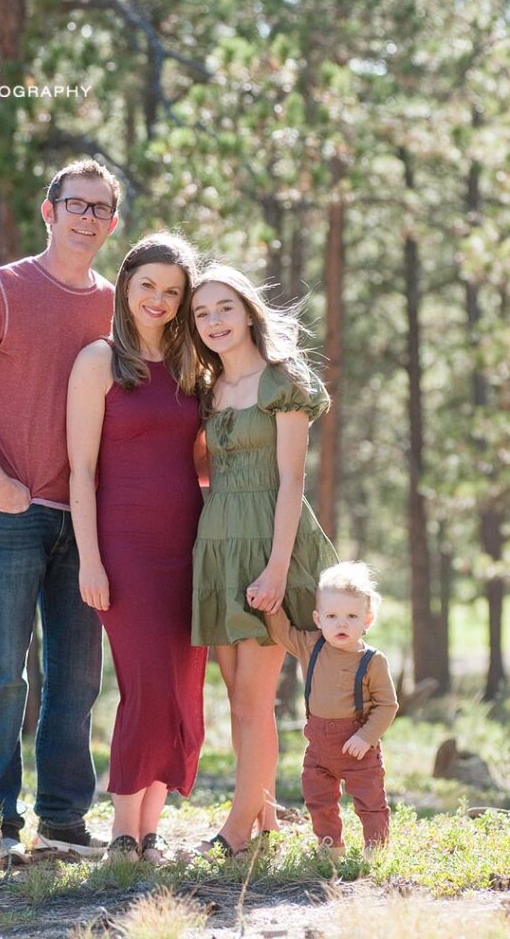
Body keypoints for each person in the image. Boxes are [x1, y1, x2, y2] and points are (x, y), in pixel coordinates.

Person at [0, 158, 120, 864]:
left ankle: (64, 821)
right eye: (75, 204)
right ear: (49, 212)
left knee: (75, 677)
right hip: (9, 511)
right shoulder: (2, 290)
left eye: (100, 209)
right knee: (2, 673)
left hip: (88, 522)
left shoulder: (115, 304)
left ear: (112, 222)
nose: (86, 218)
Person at [67, 232, 207, 864]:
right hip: (124, 547)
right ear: (125, 285)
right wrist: (90, 559)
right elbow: (80, 471)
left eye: (173, 292)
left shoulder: (190, 368)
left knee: (180, 688)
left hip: (190, 544)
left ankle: (150, 833)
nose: (159, 299)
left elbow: (200, 461)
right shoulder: (98, 361)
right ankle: (122, 832)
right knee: (146, 685)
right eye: (148, 285)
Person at [189, 264, 337, 857]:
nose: (214, 321)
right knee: (235, 695)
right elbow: (204, 466)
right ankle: (266, 815)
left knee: (254, 697)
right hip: (219, 541)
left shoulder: (284, 382)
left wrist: (277, 569)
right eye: (201, 314)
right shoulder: (205, 389)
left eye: (224, 307)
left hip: (271, 543)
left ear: (249, 311)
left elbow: (292, 478)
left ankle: (235, 834)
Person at [266, 561, 398, 861]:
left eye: (351, 616)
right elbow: (281, 632)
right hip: (318, 747)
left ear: (367, 619)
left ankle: (375, 851)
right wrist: (269, 604)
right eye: (332, 616)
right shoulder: (311, 646)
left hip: (358, 747)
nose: (341, 624)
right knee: (318, 798)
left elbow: (387, 705)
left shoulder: (373, 661)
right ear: (318, 618)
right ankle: (330, 848)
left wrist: (366, 737)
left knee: (370, 800)